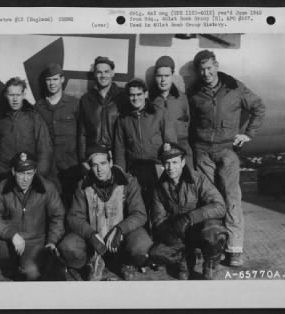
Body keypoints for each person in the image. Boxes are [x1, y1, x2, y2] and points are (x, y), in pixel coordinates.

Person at [188, 50, 266, 267]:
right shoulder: (194, 93)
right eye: (202, 69)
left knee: (232, 198)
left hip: (227, 151)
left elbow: (259, 107)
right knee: (210, 200)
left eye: (209, 68)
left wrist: (248, 134)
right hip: (203, 152)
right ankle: (212, 245)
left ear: (216, 66)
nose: (206, 73)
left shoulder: (234, 87)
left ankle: (234, 249)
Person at [58, 145, 153, 281]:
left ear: (111, 162)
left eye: (103, 163)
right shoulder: (83, 185)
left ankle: (126, 262)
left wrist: (121, 229)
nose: (99, 169)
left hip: (121, 238)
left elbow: (139, 214)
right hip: (95, 241)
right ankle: (91, 262)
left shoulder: (128, 182)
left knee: (142, 245)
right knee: (68, 247)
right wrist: (90, 234)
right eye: (94, 165)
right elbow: (74, 217)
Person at [0, 152, 65, 281]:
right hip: (9, 242)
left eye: (29, 173)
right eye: (21, 173)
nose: (25, 179)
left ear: (35, 171)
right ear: (13, 171)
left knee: (33, 277)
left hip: (34, 244)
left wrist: (52, 241)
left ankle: (22, 270)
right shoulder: (2, 187)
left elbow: (58, 216)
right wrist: (11, 234)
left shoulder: (47, 188)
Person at [151, 142, 227, 280]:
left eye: (174, 162)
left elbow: (219, 206)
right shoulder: (159, 188)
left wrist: (191, 217)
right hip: (179, 233)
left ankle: (209, 261)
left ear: (182, 162)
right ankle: (184, 259)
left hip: (198, 229)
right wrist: (171, 234)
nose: (170, 167)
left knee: (215, 232)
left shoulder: (198, 179)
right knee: (155, 252)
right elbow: (158, 219)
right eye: (166, 163)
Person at [114, 78, 177, 222]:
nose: (135, 98)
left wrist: (167, 167)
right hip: (135, 169)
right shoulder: (123, 119)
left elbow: (171, 142)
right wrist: (121, 177)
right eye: (132, 95)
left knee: (159, 207)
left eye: (139, 94)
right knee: (138, 208)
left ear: (146, 94)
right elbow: (119, 150)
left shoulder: (158, 113)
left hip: (156, 168)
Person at [0, 77, 53, 195]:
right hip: (2, 177)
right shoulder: (0, 121)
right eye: (11, 95)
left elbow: (45, 150)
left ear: (23, 94)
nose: (15, 99)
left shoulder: (34, 119)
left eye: (18, 95)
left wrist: (37, 178)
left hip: (26, 178)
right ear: (6, 95)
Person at [35, 64, 80, 206]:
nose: (52, 83)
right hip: (49, 165)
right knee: (52, 204)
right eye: (48, 80)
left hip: (71, 163)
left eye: (55, 79)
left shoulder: (73, 103)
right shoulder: (39, 107)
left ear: (62, 80)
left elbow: (82, 133)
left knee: (72, 202)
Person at [78, 56, 129, 168]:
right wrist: (83, 159)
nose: (103, 76)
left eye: (106, 72)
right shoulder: (86, 99)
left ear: (112, 73)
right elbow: (82, 132)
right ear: (95, 74)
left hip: (118, 155)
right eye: (99, 72)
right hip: (94, 156)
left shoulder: (123, 96)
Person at [151, 55, 192, 163]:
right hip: (158, 154)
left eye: (167, 75)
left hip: (182, 152)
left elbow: (191, 127)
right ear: (155, 77)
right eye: (159, 76)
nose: (163, 80)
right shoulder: (149, 101)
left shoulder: (182, 99)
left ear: (172, 76)